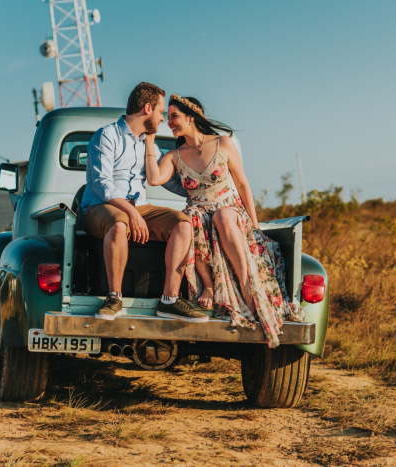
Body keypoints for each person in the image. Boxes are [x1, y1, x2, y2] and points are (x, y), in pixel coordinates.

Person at [145, 94, 305, 348]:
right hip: (198, 214)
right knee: (189, 219)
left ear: (191, 116)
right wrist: (150, 140)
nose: (169, 122)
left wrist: (254, 226)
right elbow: (154, 179)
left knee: (222, 215)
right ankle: (208, 286)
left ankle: (246, 285)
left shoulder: (224, 143)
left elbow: (242, 184)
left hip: (229, 211)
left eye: (173, 116)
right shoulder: (174, 155)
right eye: (168, 117)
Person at [79, 82, 209, 323]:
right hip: (99, 207)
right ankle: (114, 297)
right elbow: (101, 183)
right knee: (119, 223)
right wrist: (131, 213)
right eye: (161, 112)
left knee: (182, 223)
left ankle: (169, 300)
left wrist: (205, 193)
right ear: (147, 108)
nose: (163, 119)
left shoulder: (149, 145)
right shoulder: (106, 135)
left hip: (138, 208)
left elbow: (169, 182)